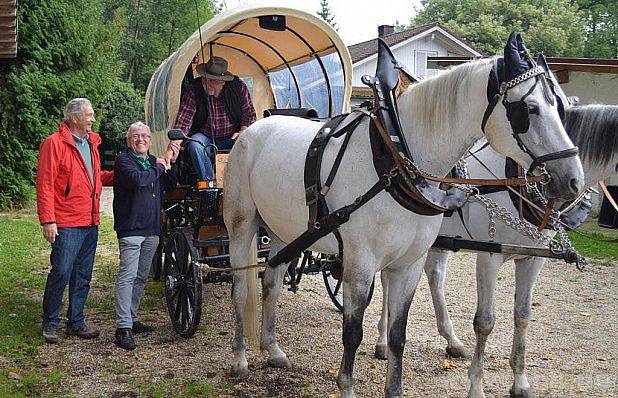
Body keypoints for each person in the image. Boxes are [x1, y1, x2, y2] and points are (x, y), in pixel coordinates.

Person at [36, 98, 114, 343]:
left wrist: (121, 172)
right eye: (89, 115)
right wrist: (48, 220)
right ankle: (50, 323)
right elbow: (45, 184)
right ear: (74, 118)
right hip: (67, 222)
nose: (93, 119)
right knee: (61, 272)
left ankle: (76, 322)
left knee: (83, 276)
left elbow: (94, 176)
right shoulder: (54, 144)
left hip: (90, 221)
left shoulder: (91, 143)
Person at [113, 122, 178, 350]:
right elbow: (139, 180)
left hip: (151, 229)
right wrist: (160, 166)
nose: (141, 140)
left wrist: (172, 160)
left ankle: (131, 319)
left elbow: (169, 185)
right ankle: (122, 328)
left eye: (145, 136)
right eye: (136, 136)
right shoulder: (124, 161)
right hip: (131, 229)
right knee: (127, 276)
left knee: (141, 277)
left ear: (150, 140)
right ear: (128, 140)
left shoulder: (152, 162)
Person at [166, 56, 256, 181]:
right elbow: (183, 121)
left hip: (232, 136)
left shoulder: (238, 87)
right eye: (205, 79)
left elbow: (249, 114)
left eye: (213, 81)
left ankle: (243, 182)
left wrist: (242, 131)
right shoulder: (194, 89)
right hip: (205, 136)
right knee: (194, 144)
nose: (207, 83)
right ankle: (210, 183)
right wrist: (173, 147)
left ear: (223, 82)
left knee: (248, 142)